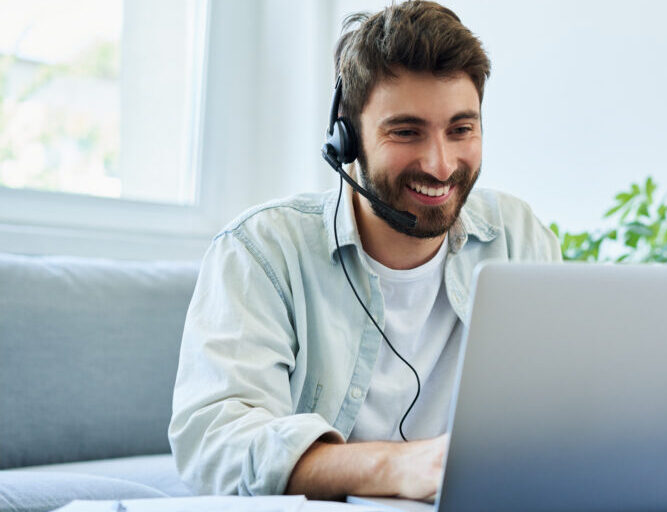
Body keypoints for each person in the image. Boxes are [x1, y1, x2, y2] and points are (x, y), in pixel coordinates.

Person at [168, 0, 561, 500]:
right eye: (405, 131)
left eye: (461, 129)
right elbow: (214, 442)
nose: (441, 165)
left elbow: (565, 412)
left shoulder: (518, 236)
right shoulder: (262, 250)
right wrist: (395, 468)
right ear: (346, 138)